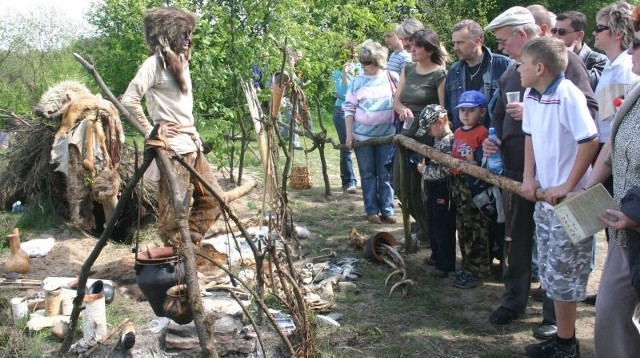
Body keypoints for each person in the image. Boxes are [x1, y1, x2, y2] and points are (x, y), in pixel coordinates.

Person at [483, 7, 598, 341]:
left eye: (505, 40)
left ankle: (558, 326)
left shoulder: (563, 72)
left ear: (523, 36)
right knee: (526, 245)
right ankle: (517, 303)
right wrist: (498, 140)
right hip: (527, 178)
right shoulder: (523, 79)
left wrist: (568, 183)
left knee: (564, 260)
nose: (502, 48)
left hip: (565, 187)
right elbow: (512, 122)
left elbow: (588, 128)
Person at [519, 36, 599, 358]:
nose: (518, 68)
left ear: (540, 68)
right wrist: (529, 176)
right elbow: (529, 136)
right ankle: (564, 339)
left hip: (571, 202)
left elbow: (590, 141)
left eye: (522, 64)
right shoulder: (531, 95)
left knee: (567, 277)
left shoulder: (568, 95)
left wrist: (568, 184)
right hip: (545, 200)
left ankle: (567, 346)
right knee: (552, 274)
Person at [121, 6, 225, 247]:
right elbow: (129, 100)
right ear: (167, 35)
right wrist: (151, 131)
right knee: (173, 217)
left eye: (190, 34)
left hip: (191, 144)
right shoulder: (153, 65)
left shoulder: (181, 64)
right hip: (172, 150)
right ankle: (174, 265)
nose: (189, 39)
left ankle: (187, 247)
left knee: (214, 199)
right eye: (184, 33)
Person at [589, 6, 640, 355]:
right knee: (609, 312)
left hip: (634, 219)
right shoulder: (635, 94)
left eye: (638, 44)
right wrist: (588, 190)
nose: (632, 49)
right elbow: (611, 141)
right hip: (626, 231)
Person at [392, 28, 447, 243]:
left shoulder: (439, 74)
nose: (411, 49)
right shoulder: (407, 69)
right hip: (405, 133)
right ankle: (424, 226)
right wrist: (401, 109)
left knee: (419, 189)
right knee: (399, 185)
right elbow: (396, 100)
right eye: (410, 45)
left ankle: (429, 231)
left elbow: (443, 111)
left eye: (416, 45)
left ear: (430, 49)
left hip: (427, 137)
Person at [343, 40, 397, 225]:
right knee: (367, 174)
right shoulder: (357, 81)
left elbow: (400, 101)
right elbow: (349, 108)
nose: (364, 66)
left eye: (368, 62)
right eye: (362, 62)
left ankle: (388, 210)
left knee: (385, 174)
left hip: (387, 136)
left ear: (379, 61)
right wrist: (349, 135)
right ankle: (372, 210)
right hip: (362, 137)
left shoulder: (392, 77)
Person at [448, 90, 491, 289]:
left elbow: (486, 162)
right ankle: (466, 264)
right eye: (462, 110)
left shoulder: (483, 133)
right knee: (462, 225)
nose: (465, 114)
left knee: (476, 227)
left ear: (482, 112)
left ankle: (479, 268)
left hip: (474, 186)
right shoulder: (457, 131)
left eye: (471, 110)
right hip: (457, 185)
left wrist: (474, 164)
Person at [445, 19, 511, 130]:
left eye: (460, 42)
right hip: (463, 141)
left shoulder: (503, 65)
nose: (455, 48)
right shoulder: (453, 71)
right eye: (454, 43)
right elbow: (449, 112)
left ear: (478, 41)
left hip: (493, 140)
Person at [415, 105, 455, 277]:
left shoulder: (449, 141)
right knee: (433, 222)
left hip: (443, 190)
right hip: (433, 189)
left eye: (430, 129)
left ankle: (445, 264)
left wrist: (424, 171)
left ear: (440, 122)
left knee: (442, 226)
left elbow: (445, 170)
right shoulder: (439, 139)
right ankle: (436, 255)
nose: (429, 134)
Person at [331, 44, 362, 194]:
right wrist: (344, 72)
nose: (354, 57)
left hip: (360, 111)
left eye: (355, 55)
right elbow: (341, 92)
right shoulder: (337, 71)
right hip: (341, 111)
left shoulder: (361, 69)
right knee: (346, 146)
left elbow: (362, 90)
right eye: (352, 54)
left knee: (362, 146)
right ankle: (349, 181)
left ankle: (366, 179)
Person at [554, 11, 608, 90]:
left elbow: (589, 86)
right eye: (554, 31)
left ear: (579, 35)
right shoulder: (550, 58)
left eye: (562, 32)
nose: (556, 36)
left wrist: (569, 59)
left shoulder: (599, 60)